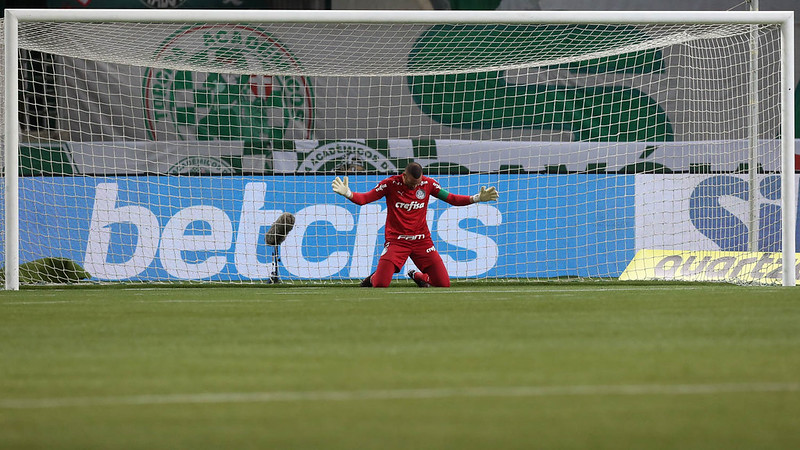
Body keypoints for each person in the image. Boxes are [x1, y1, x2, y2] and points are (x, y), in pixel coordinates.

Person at [331, 162, 499, 288]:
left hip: (422, 242)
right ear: (404, 176)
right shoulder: (390, 184)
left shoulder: (428, 184)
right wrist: (348, 193)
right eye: (411, 183)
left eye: (417, 183)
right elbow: (364, 199)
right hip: (397, 242)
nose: (414, 186)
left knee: (443, 284)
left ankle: (418, 276)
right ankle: (374, 277)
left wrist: (476, 198)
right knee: (381, 284)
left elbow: (452, 199)